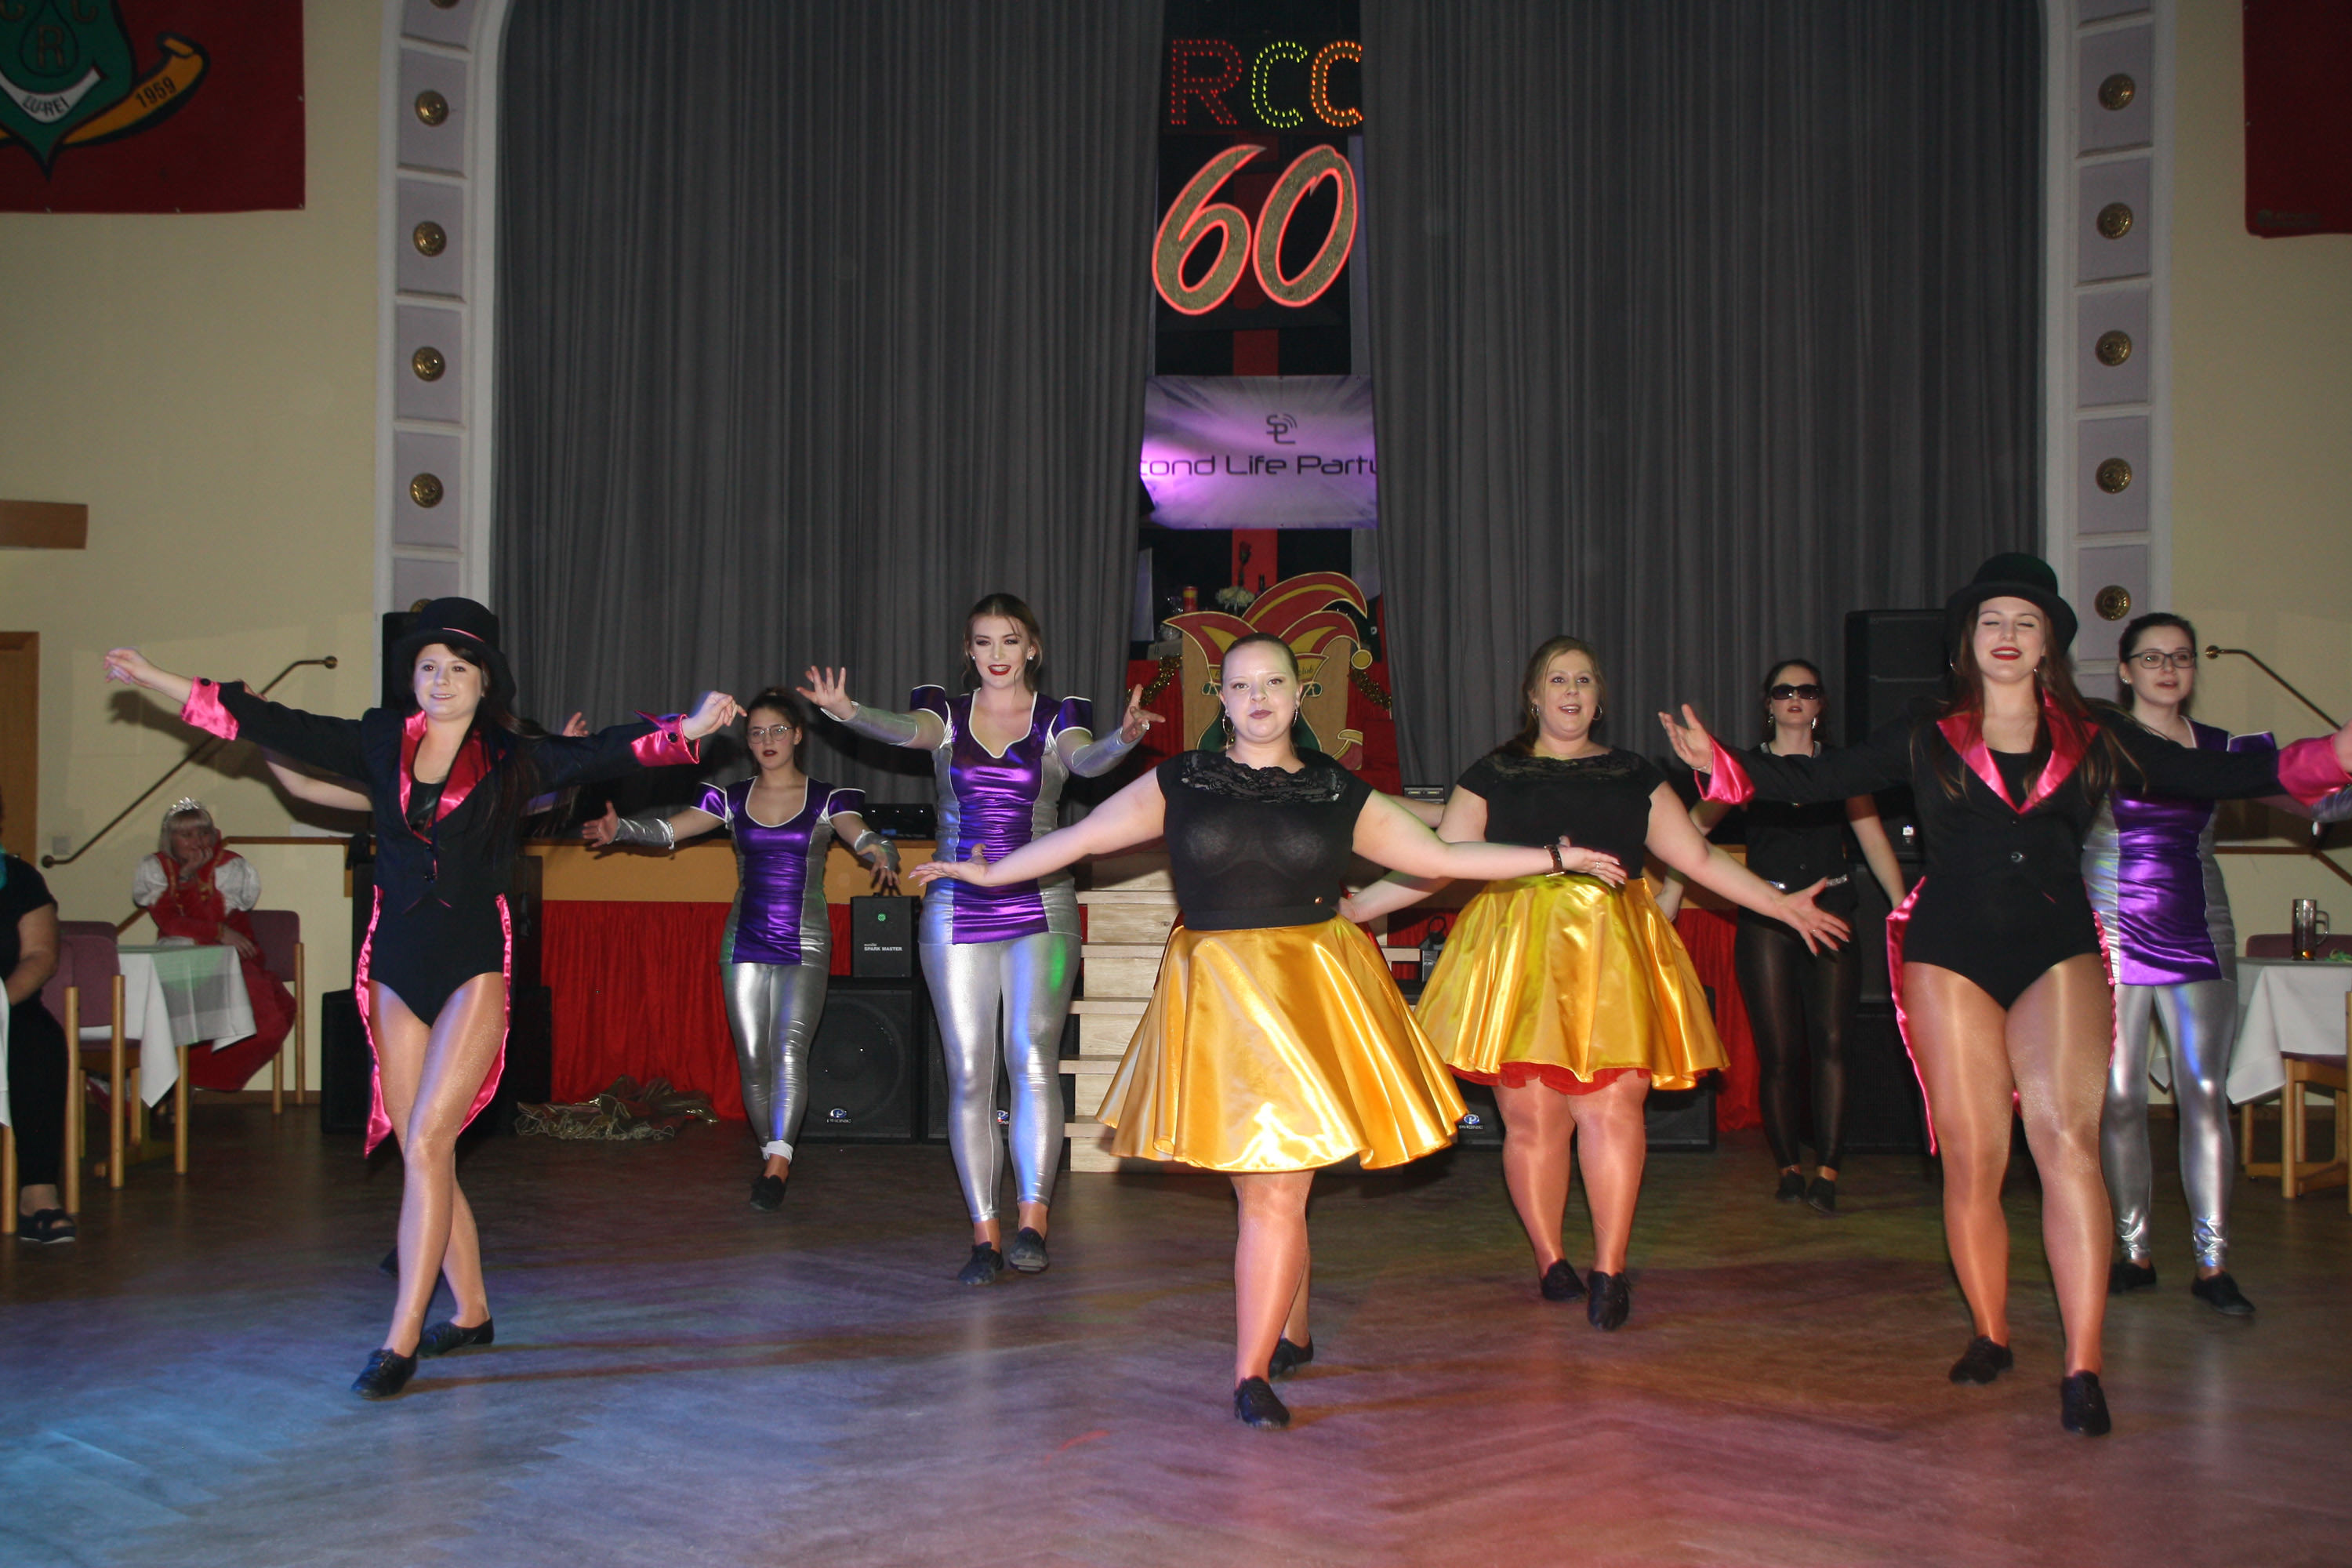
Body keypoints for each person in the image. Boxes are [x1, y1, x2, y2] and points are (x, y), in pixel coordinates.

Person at [1658, 554, 2352, 1436]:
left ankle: (2084, 1364)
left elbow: (2212, 773)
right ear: (1968, 641)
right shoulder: (1929, 729)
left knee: (2066, 1145)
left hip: (2056, 948)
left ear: (2049, 642)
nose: (2008, 634)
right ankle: (1990, 1332)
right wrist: (1721, 763)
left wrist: (2332, 755)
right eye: (1992, 621)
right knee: (1974, 1156)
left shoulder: (2095, 732)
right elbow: (1819, 780)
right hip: (1951, 953)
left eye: (2026, 622)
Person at [914, 632, 1589, 1429]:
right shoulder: (1183, 780)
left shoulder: (1335, 790)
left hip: (1308, 996)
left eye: (1273, 683)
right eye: (1241, 685)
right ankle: (1292, 1327)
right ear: (1223, 700)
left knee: (1278, 1184)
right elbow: (1083, 837)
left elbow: (1443, 856)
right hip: (1219, 999)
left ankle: (1251, 1372)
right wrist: (990, 872)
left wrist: (1552, 857)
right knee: (1261, 1184)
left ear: (1299, 696)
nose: (1258, 697)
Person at [106, 597, 739, 1399]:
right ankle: (471, 1311)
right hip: (395, 963)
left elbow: (610, 748)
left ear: (484, 682)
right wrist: (153, 675)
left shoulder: (514, 757)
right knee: (421, 1149)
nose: (441, 680)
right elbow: (270, 719)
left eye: (458, 668)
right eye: (428, 666)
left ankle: (400, 1336)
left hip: (472, 963)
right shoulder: (380, 740)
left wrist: (691, 726)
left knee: (433, 1140)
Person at [1342, 637, 1849, 1330]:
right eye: (1558, 679)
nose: (1571, 691)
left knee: (1614, 1111)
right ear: (1534, 695)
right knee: (1534, 1121)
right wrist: (1360, 908)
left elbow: (1699, 858)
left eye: (1583, 679)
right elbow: (1435, 862)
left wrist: (1780, 906)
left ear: (1599, 698)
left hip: (1613, 952)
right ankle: (1551, 1258)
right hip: (1519, 955)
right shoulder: (1494, 772)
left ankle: (1611, 1268)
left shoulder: (1634, 774)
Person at [802, 593, 1158, 1283]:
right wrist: (848, 712)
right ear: (968, 652)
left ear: (1033, 649)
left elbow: (1088, 764)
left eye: (1011, 641)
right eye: (985, 642)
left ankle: (1032, 1221)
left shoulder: (1058, 718)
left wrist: (1125, 737)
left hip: (1040, 902)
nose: (998, 654)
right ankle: (984, 1233)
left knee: (1031, 1058)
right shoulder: (943, 716)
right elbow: (900, 731)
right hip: (956, 905)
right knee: (969, 1072)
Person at [584, 688, 901, 1209]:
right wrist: (623, 829)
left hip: (804, 939)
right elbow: (669, 830)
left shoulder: (827, 798)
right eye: (756, 733)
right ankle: (773, 1152)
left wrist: (879, 851)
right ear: (748, 742)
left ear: (798, 735)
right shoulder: (729, 798)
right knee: (754, 1060)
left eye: (777, 730)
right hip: (744, 939)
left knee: (789, 1050)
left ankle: (777, 1166)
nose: (767, 740)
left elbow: (860, 834)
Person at [1665, 660, 1907, 1214]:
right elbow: (1691, 831)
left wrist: (1902, 910)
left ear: (1820, 704)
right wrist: (1673, 893)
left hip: (1831, 912)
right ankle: (1788, 1169)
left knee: (1833, 1045)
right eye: (1783, 690)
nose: (1795, 698)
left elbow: (1873, 841)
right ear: (1769, 704)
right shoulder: (1748, 770)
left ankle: (1828, 1171)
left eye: (1807, 690)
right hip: (1769, 916)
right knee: (1778, 1052)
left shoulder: (1842, 770)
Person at [2088, 613, 2267, 1316]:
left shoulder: (2222, 748)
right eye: (2152, 657)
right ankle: (2132, 1252)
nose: (2168, 668)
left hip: (2199, 926)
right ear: (2124, 670)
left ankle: (2213, 1265)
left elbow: (2309, 792)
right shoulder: (2098, 743)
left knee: (2205, 1090)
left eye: (2182, 657)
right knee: (2120, 1096)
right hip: (2109, 928)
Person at [131, 798, 299, 1092]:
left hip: (232, 960)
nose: (197, 841)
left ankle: (184, 1076)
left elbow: (210, 916)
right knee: (169, 1011)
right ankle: (161, 1076)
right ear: (170, 838)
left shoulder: (229, 866)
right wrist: (216, 927)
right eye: (187, 835)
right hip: (180, 959)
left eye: (203, 833)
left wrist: (217, 926)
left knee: (272, 1013)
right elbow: (170, 922)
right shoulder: (157, 868)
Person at [3, 798, 71, 1244]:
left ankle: (37, 1194)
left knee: (39, 1042)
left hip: (9, 1004)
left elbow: (41, 955)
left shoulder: (20, 878)